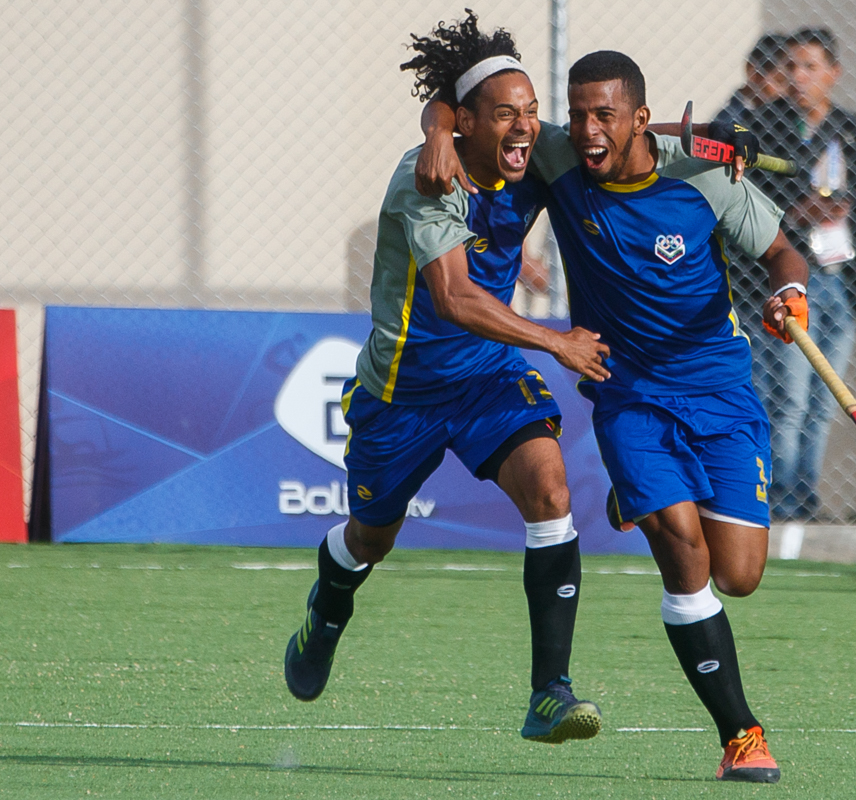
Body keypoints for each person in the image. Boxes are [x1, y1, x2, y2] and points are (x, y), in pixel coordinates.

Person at [419, 50, 811, 784]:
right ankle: (742, 735)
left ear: (637, 117)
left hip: (721, 392)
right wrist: (437, 124)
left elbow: (784, 250)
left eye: (606, 115)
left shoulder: (705, 178)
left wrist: (787, 297)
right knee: (684, 552)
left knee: (741, 576)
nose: (587, 131)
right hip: (627, 393)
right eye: (578, 115)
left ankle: (641, 494)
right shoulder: (564, 158)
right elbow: (469, 113)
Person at [283, 12, 611, 746]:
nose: (527, 126)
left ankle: (549, 693)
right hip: (402, 392)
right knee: (372, 538)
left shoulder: (536, 145)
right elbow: (454, 298)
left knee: (551, 490)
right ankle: (328, 606)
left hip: (488, 377)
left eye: (531, 109)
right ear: (464, 123)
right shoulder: (428, 173)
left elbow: (613, 141)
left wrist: (710, 152)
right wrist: (556, 341)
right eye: (506, 114)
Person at [724, 27, 856, 521]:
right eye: (790, 67)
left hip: (840, 281)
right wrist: (796, 213)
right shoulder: (763, 126)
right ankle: (781, 496)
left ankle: (805, 496)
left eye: (809, 67)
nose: (797, 77)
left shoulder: (851, 129)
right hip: (790, 280)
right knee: (787, 397)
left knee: (825, 398)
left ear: (833, 74)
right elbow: (750, 200)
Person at [714, 33, 794, 126]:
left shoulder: (790, 116)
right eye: (779, 82)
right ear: (754, 73)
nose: (784, 92)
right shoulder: (731, 120)